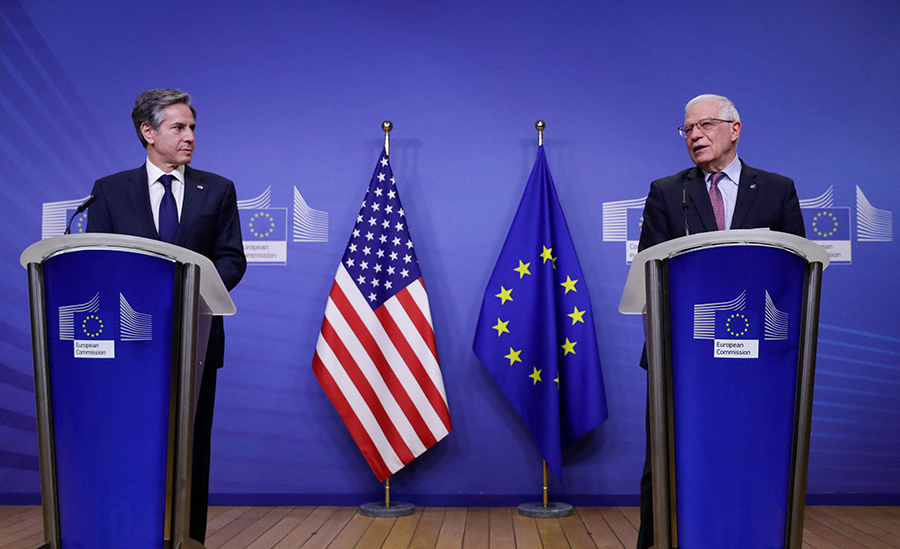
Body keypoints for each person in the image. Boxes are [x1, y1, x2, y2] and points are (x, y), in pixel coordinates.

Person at [634, 94, 805, 549]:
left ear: (735, 129)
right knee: (670, 455)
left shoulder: (776, 188)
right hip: (683, 354)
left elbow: (797, 272)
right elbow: (650, 270)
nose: (694, 135)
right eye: (687, 129)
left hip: (762, 355)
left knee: (752, 450)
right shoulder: (668, 192)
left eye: (705, 125)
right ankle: (659, 542)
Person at [86, 89, 246, 543]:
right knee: (130, 445)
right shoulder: (110, 190)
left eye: (193, 127)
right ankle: (128, 532)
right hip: (129, 343)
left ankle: (188, 539)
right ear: (148, 132)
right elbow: (99, 259)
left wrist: (189, 295)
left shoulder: (216, 188)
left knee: (191, 448)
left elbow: (232, 259)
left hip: (195, 340)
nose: (190, 136)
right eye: (179, 127)